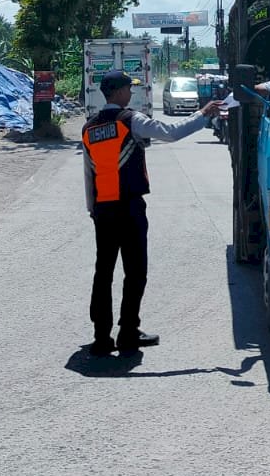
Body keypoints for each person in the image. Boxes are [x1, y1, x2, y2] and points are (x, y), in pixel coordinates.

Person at [81, 68, 223, 355]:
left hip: (103, 210)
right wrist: (203, 114)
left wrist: (92, 209)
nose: (131, 92)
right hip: (129, 207)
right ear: (119, 92)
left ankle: (101, 337)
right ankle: (128, 332)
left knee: (103, 272)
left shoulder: (89, 128)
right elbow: (170, 133)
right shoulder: (131, 120)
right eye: (128, 88)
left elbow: (88, 174)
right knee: (135, 271)